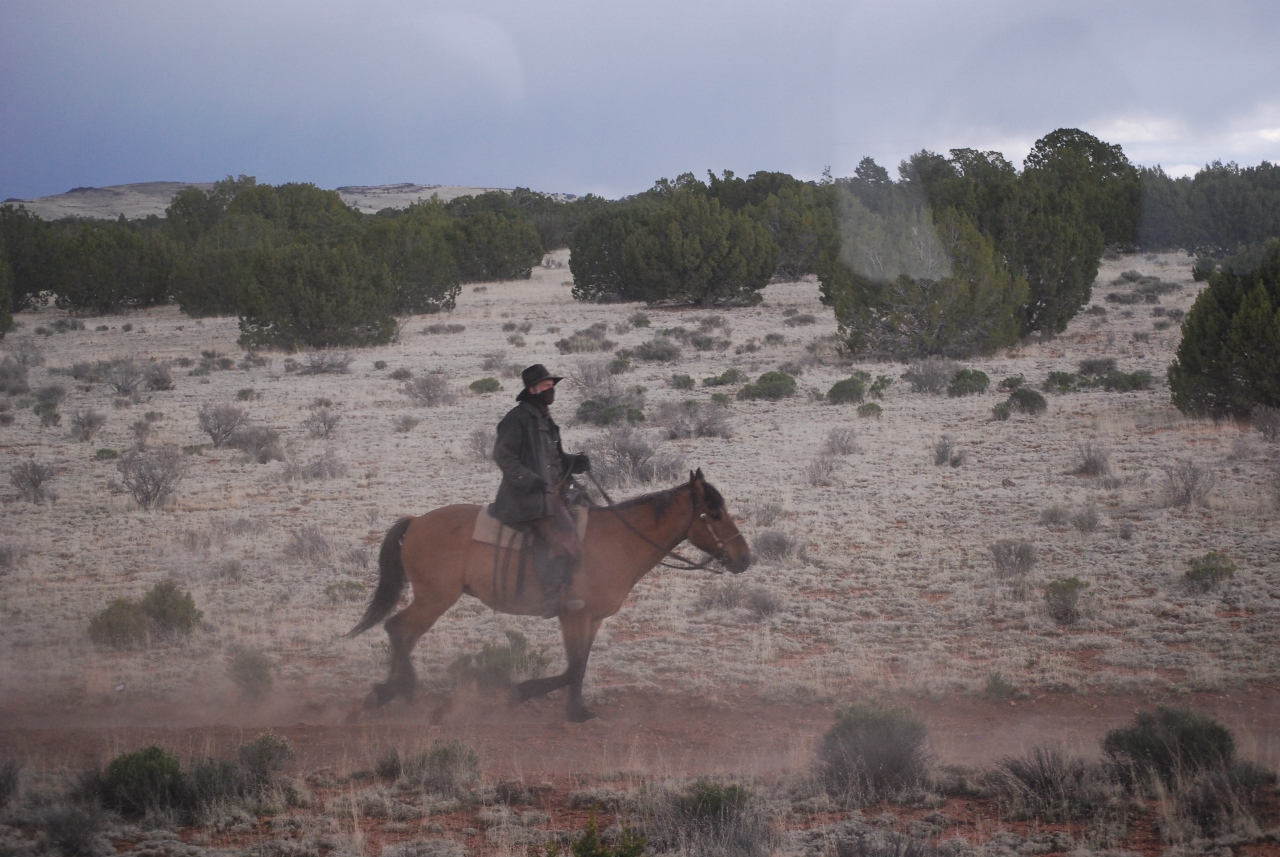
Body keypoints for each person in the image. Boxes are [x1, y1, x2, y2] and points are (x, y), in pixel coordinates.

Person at [490, 364, 591, 617]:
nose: (551, 389)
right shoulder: (516, 419)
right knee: (562, 537)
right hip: (527, 496)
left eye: (552, 385)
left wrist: (573, 463)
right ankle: (551, 598)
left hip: (554, 491)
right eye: (546, 386)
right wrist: (529, 479)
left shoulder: (545, 418)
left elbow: (553, 458)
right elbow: (504, 457)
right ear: (532, 390)